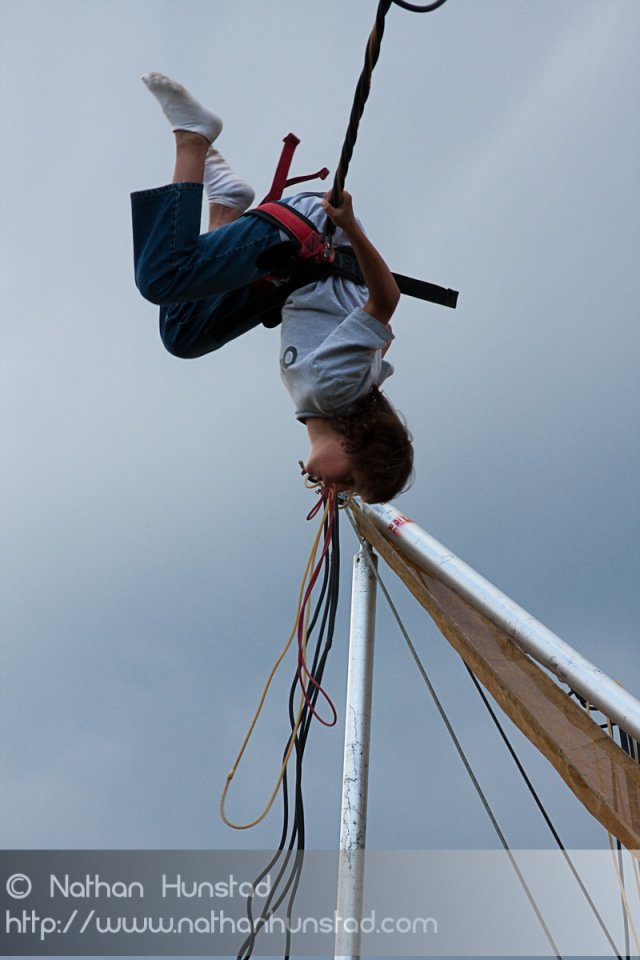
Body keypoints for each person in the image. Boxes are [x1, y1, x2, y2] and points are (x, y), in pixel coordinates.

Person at [131, 73, 413, 502]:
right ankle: (193, 137)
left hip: (292, 279)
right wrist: (348, 226)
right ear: (358, 448)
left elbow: (377, 346)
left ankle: (225, 204)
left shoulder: (333, 398)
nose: (337, 493)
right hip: (309, 238)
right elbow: (385, 302)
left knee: (183, 335)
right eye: (351, 482)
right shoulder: (332, 387)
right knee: (162, 277)